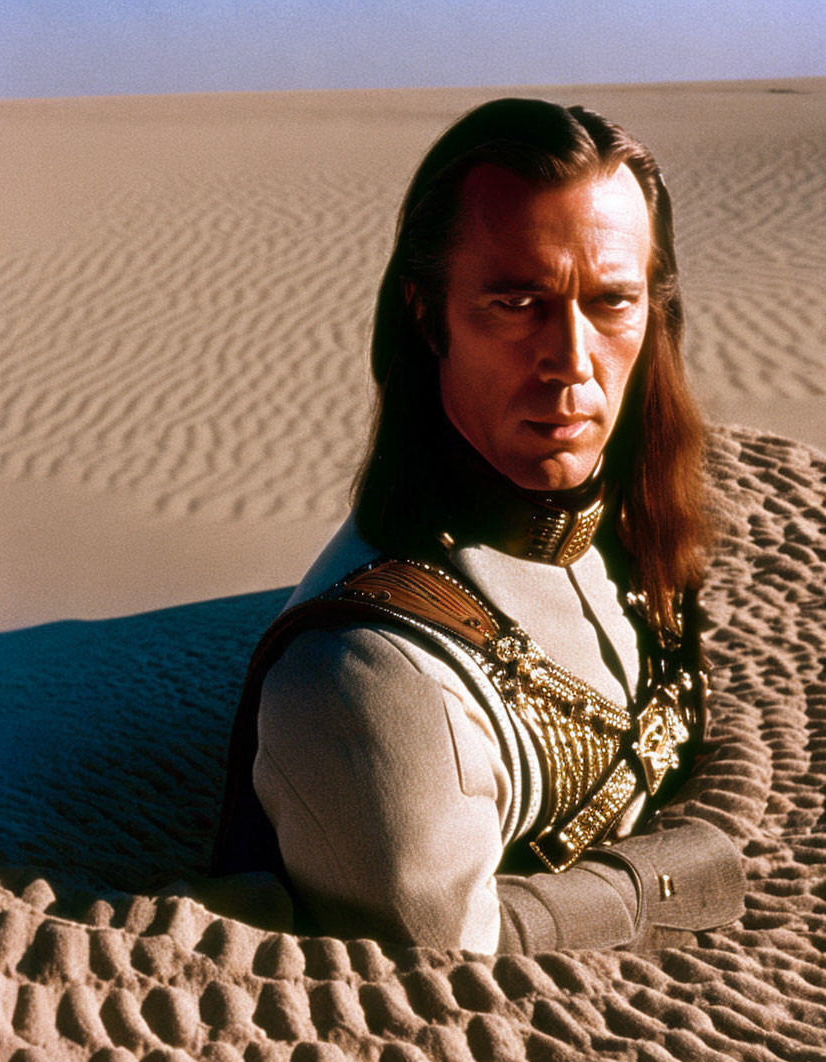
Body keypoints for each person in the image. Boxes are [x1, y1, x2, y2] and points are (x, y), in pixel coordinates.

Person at [211, 98, 745, 954]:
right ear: (428, 315)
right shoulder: (363, 681)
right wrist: (667, 880)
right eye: (517, 302)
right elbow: (449, 955)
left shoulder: (635, 518)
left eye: (612, 303)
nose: (571, 362)